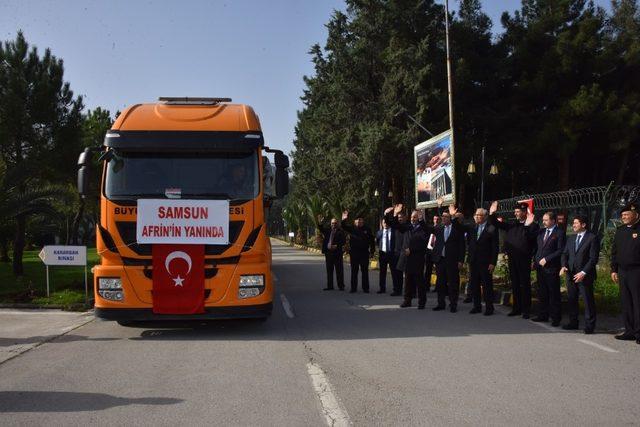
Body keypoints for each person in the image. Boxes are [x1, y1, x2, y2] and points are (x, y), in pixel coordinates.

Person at [489, 201, 539, 319]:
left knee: (525, 285)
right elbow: (496, 224)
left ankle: (526, 310)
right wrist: (492, 213)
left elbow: (531, 239)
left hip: (524, 260)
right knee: (515, 284)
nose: (515, 213)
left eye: (518, 212)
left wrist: (527, 225)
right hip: (513, 259)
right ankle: (516, 308)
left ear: (524, 212)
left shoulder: (533, 225)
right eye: (515, 211)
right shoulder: (513, 224)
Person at [451, 206, 499, 315]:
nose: (477, 217)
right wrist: (453, 216)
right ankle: (477, 306)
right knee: (475, 285)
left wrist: (493, 262)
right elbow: (458, 227)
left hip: (485, 262)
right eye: (476, 215)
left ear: (485, 217)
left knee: (487, 286)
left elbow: (495, 247)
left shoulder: (490, 228)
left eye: (479, 215)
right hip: (473, 261)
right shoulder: (472, 227)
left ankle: (489, 308)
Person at [385, 205, 435, 309]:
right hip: (408, 259)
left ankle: (422, 302)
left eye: (415, 217)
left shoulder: (424, 228)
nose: (413, 219)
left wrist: (411, 249)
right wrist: (390, 214)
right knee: (408, 281)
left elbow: (423, 243)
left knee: (419, 282)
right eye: (412, 217)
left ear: (419, 218)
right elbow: (395, 225)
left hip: (418, 258)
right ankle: (407, 300)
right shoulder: (408, 227)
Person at [560, 215, 600, 334]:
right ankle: (573, 322)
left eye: (576, 223)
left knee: (588, 301)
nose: (573, 225)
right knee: (572, 299)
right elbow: (564, 254)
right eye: (573, 223)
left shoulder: (592, 238)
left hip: (584, 275)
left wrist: (583, 272)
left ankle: (590, 325)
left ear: (583, 225)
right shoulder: (571, 238)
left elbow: (593, 259)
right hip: (570, 274)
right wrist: (563, 265)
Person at [611, 202, 640, 344]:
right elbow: (614, 252)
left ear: (635, 215)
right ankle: (629, 331)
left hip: (637, 271)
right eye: (622, 215)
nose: (624, 217)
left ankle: (639, 332)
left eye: (627, 214)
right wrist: (613, 269)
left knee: (637, 302)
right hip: (622, 271)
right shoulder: (620, 230)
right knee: (626, 302)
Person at [532, 212, 566, 326]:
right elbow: (538, 248)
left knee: (553, 293)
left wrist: (547, 259)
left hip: (551, 267)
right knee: (542, 292)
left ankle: (556, 318)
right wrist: (535, 260)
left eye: (546, 220)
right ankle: (543, 315)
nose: (544, 222)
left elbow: (560, 250)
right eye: (543, 220)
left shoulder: (559, 233)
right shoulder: (541, 232)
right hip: (540, 268)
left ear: (553, 221)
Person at [431, 210, 466, 313]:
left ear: (450, 218)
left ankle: (453, 304)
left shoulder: (457, 230)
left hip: (452, 261)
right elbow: (427, 229)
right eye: (443, 216)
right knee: (440, 283)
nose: (444, 218)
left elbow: (462, 246)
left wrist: (460, 260)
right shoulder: (439, 228)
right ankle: (440, 303)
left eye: (446, 217)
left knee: (453, 283)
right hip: (440, 260)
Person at [341, 211, 375, 293]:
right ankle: (353, 288)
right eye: (357, 220)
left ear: (363, 221)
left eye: (360, 220)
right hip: (354, 253)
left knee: (365, 271)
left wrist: (372, 251)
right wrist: (343, 219)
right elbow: (343, 226)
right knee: (354, 271)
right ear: (354, 221)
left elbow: (372, 241)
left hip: (364, 253)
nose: (359, 222)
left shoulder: (367, 229)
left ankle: (366, 288)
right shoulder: (352, 228)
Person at [316, 215, 346, 291]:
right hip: (328, 253)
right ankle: (330, 286)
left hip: (337, 253)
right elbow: (321, 228)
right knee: (329, 270)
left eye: (335, 223)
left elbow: (343, 241)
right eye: (332, 223)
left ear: (337, 224)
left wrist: (337, 245)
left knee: (339, 270)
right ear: (330, 224)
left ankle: (341, 286)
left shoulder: (341, 231)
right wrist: (320, 222)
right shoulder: (328, 230)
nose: (333, 224)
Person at [375, 217, 398, 294]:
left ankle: (396, 289)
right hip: (383, 254)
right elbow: (377, 242)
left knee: (394, 272)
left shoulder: (394, 231)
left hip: (392, 254)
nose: (385, 224)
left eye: (386, 222)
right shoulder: (379, 232)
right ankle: (382, 288)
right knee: (382, 272)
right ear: (382, 223)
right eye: (384, 223)